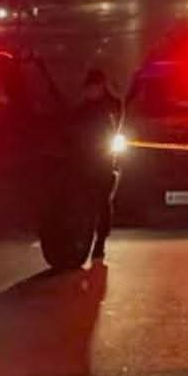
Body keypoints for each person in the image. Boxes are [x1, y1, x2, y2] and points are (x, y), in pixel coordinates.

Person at [73, 68, 122, 260]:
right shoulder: (84, 109)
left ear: (100, 87)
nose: (90, 91)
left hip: (104, 161)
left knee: (102, 201)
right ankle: (87, 239)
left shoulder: (111, 106)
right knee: (89, 201)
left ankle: (100, 242)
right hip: (86, 161)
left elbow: (117, 124)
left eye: (93, 87)